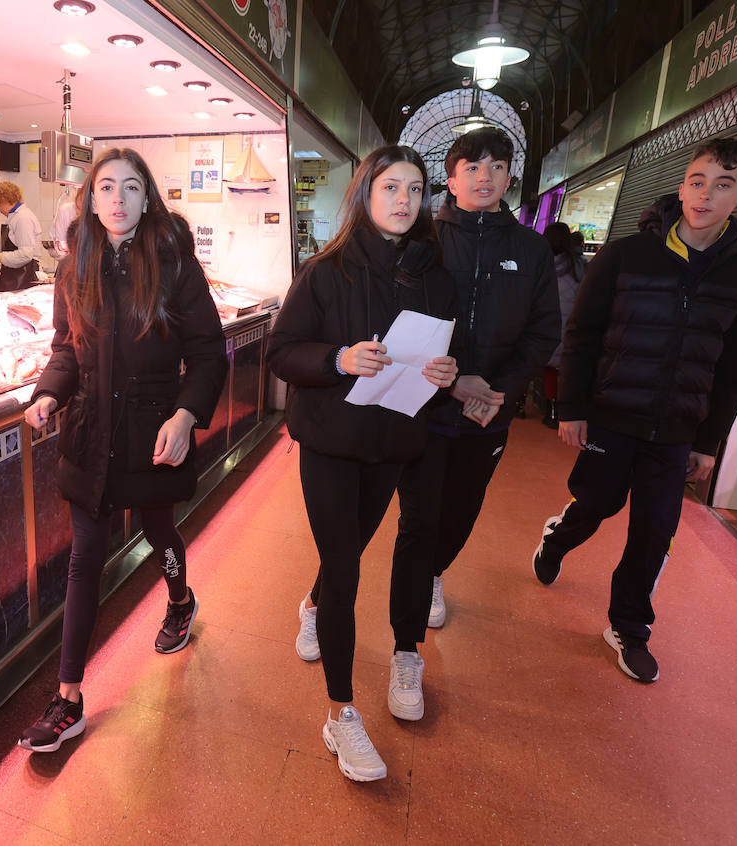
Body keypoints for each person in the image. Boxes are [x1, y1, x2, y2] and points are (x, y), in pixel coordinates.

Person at [532, 138, 737, 683]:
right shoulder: (627, 254)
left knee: (656, 529)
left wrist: (710, 440)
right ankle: (558, 538)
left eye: (723, 185)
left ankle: (629, 627)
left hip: (677, 430)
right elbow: (583, 334)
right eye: (697, 180)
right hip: (613, 414)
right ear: (683, 184)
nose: (705, 195)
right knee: (596, 504)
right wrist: (570, 406)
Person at [18, 148, 227, 752]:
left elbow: (209, 351)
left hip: (152, 433)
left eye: (130, 187)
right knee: (86, 558)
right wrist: (48, 394)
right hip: (89, 436)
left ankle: (180, 601)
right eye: (105, 187)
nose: (116, 199)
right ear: (90, 198)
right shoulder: (73, 265)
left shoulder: (174, 264)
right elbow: (65, 347)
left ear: (147, 197)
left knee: (160, 533)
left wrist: (187, 416)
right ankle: (69, 699)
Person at [270, 145, 459, 783]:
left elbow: (443, 355)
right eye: (390, 188)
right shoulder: (326, 271)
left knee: (348, 548)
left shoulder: (436, 276)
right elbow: (282, 351)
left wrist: (445, 372)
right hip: (329, 441)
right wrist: (338, 361)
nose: (403, 200)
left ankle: (312, 602)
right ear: (365, 195)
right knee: (348, 568)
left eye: (414, 188)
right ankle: (340, 713)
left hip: (394, 443)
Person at [390, 127, 558, 631]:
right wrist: (452, 380)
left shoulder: (531, 249)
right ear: (451, 178)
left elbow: (544, 327)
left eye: (496, 167)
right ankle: (409, 623)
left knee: (463, 508)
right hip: (426, 404)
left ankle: (435, 573)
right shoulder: (422, 242)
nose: (484, 177)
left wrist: (501, 387)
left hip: (491, 410)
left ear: (509, 177)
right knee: (418, 516)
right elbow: (401, 319)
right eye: (472, 167)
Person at [540, 221, 586, 428]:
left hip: (546, 325)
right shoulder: (581, 266)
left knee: (547, 369)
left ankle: (549, 410)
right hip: (573, 327)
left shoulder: (541, 264)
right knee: (567, 370)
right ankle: (564, 409)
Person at [0, 181, 42, 290]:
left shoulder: (23, 218)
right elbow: (2, 247)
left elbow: (26, 254)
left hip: (23, 278)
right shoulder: (14, 218)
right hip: (13, 277)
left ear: (5, 200)